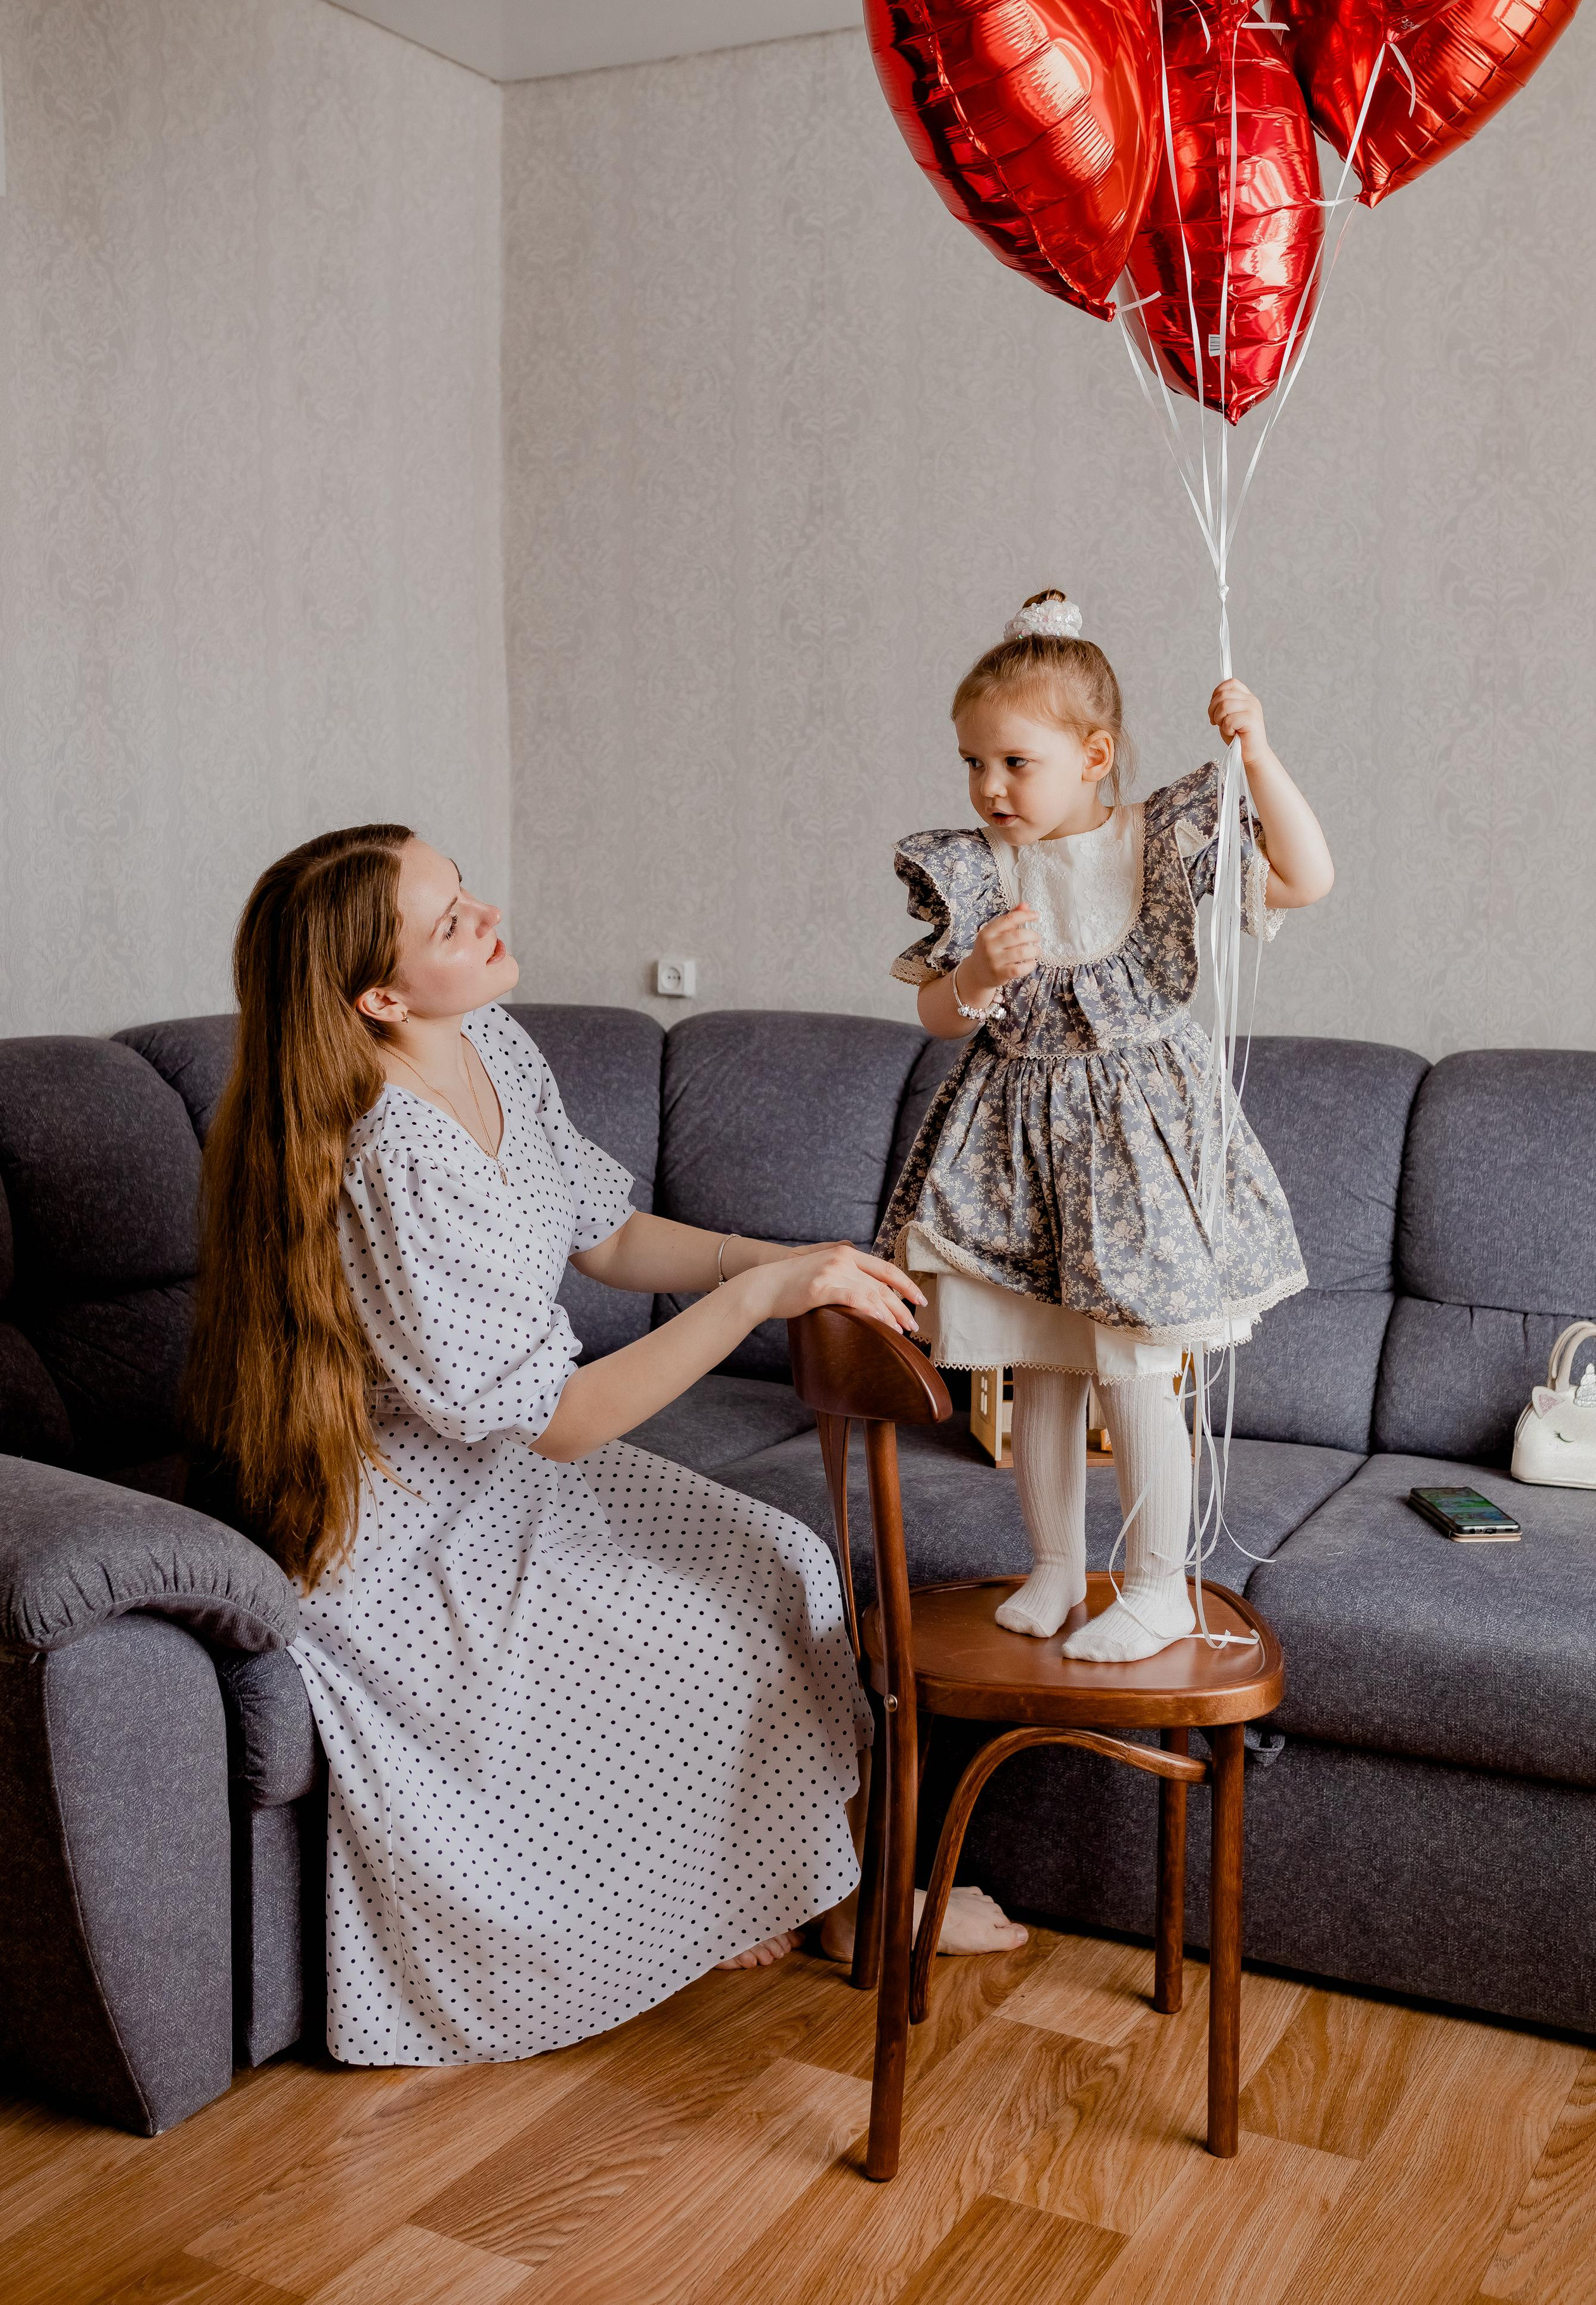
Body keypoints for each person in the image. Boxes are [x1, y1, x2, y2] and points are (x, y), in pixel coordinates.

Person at [185, 824, 1019, 2069]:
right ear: (377, 995)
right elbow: (564, 1419)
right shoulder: (390, 1149)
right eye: (445, 921)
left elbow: (607, 1233)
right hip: (409, 1529)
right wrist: (755, 1302)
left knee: (779, 1560)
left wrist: (781, 1262)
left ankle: (824, 1885)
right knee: (675, 1623)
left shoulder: (487, 1043)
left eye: (464, 889)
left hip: (509, 1468)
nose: (483, 915)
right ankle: (746, 1900)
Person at [875, 591, 1334, 1663]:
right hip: (1018, 1150)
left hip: (1134, 1154)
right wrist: (980, 974)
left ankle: (1161, 1586)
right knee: (1039, 1367)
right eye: (972, 763)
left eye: (1014, 764)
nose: (989, 787)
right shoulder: (978, 871)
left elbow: (1305, 878)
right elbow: (937, 1015)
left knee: (1134, 1365)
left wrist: (1257, 753)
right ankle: (1051, 1567)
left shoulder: (1156, 844)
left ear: (1095, 754)